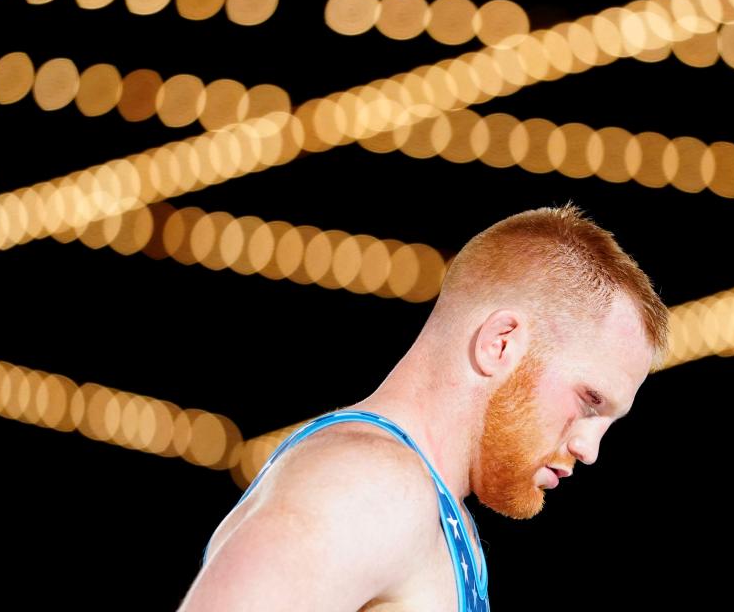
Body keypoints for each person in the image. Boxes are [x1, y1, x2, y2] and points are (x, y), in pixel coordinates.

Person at [177, 203, 668, 611]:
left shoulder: (432, 513)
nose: (589, 449)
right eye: (589, 401)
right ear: (501, 343)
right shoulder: (368, 483)